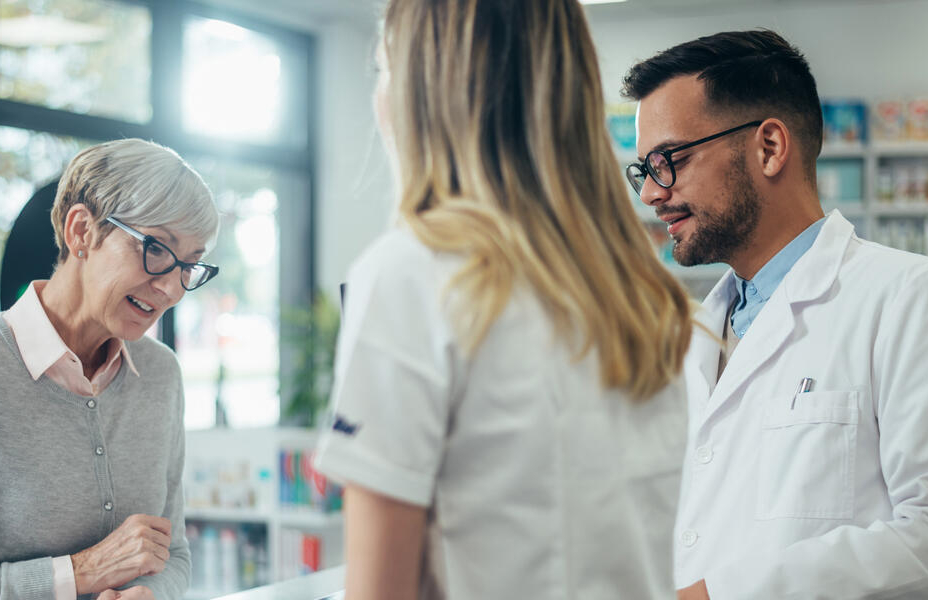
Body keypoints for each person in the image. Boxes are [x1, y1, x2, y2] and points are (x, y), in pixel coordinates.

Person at [314, 1, 694, 598]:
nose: (379, 97)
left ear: (422, 96)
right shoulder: (636, 293)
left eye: (384, 70)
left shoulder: (413, 274)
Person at [623, 30, 928, 599]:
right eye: (645, 169)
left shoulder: (909, 299)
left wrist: (718, 595)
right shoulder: (696, 336)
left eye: (671, 161)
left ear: (769, 147)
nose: (651, 194)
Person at [0, 138, 220, 600]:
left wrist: (150, 593)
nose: (172, 289)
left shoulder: (161, 375)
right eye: (156, 249)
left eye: (190, 265)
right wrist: (80, 572)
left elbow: (173, 552)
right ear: (81, 231)